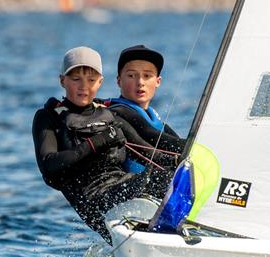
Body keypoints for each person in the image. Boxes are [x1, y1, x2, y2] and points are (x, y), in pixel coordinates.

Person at [32, 46, 175, 243]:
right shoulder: (49, 118)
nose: (84, 87)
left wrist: (182, 161)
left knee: (170, 178)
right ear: (62, 80)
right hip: (93, 199)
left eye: (91, 80)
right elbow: (49, 164)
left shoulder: (109, 116)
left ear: (100, 82)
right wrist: (94, 143)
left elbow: (146, 152)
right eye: (76, 79)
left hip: (122, 186)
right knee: (152, 180)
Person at [104, 44, 185, 173]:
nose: (140, 82)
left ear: (158, 81)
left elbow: (177, 143)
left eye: (147, 76)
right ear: (119, 81)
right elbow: (152, 136)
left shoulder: (154, 118)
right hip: (133, 188)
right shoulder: (116, 112)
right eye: (131, 76)